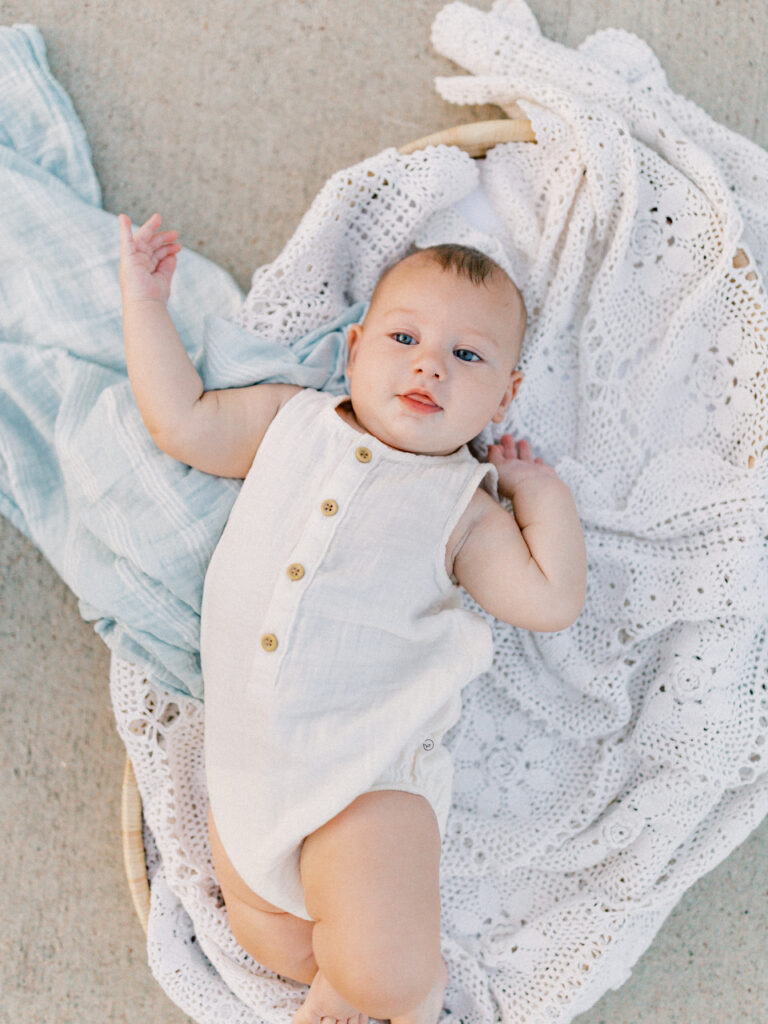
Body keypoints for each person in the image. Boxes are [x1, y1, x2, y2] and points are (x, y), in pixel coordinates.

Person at [118, 212, 587, 1024]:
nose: (429, 367)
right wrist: (145, 303)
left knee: (373, 955)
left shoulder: (463, 509)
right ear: (354, 348)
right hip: (248, 777)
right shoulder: (290, 422)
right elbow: (183, 421)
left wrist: (538, 494)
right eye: (404, 339)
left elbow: (549, 601)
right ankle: (341, 975)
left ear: (504, 396)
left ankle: (404, 991)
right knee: (267, 935)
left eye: (467, 356)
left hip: (364, 781)